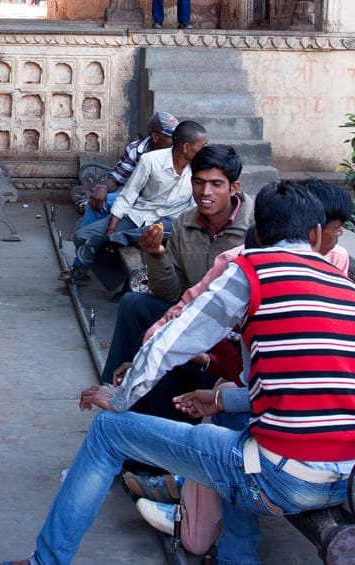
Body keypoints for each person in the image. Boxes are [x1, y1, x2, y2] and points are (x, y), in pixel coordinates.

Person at [0, 181, 355, 565]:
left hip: (285, 479)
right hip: (349, 476)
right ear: (313, 233)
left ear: (259, 232)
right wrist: (221, 398)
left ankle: (46, 561)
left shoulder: (254, 271)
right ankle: (236, 559)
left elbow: (175, 340)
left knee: (109, 431)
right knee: (235, 420)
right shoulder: (349, 291)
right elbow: (313, 388)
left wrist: (121, 398)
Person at [99, 144, 253, 419]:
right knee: (134, 304)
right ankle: (114, 386)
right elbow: (170, 293)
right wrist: (156, 254)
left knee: (202, 358)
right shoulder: (184, 223)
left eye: (216, 184)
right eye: (199, 182)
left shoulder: (253, 226)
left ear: (233, 187)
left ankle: (177, 413)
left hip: (230, 330)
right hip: (188, 312)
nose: (205, 193)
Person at [64, 120, 207, 294]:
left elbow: (194, 207)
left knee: (162, 229)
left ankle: (111, 241)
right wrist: (112, 224)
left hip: (171, 223)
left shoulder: (200, 168)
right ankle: (117, 276)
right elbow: (129, 193)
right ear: (185, 147)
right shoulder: (151, 160)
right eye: (201, 145)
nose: (204, 149)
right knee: (81, 236)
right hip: (139, 215)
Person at [71, 111, 179, 230]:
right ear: (155, 137)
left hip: (162, 202)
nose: (176, 140)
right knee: (98, 203)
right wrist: (102, 188)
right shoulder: (135, 150)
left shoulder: (177, 153)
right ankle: (85, 239)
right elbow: (117, 178)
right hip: (134, 198)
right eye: (171, 137)